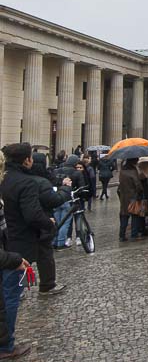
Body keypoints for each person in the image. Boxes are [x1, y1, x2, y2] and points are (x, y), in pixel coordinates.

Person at [1, 143, 71, 300]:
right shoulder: (27, 182)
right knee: (22, 265)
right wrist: (48, 223)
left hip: (7, 231)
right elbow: (32, 214)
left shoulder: (4, 178)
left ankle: (22, 289)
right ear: (26, 160)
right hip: (24, 232)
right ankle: (21, 290)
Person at [0, 150, 33, 359]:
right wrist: (12, 259)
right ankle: (6, 345)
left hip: (9, 248)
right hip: (11, 250)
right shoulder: (26, 182)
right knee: (8, 298)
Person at [117, 158, 144, 242]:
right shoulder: (133, 171)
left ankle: (122, 235)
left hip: (124, 196)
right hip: (133, 196)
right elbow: (138, 185)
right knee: (135, 216)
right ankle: (134, 235)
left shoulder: (122, 171)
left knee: (124, 215)